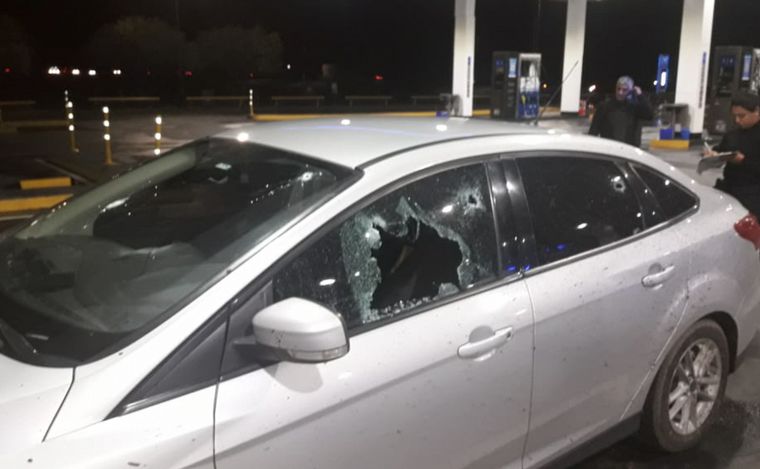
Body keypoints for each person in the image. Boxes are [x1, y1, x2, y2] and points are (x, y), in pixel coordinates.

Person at [704, 91, 760, 215]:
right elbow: (722, 149)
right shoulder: (733, 134)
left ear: (757, 111)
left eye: (742, 116)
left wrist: (743, 161)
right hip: (730, 188)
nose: (737, 120)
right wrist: (713, 154)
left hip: (754, 193)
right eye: (735, 116)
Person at [589, 76, 654, 147]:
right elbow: (593, 130)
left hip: (629, 150)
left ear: (631, 91)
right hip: (609, 149)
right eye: (618, 89)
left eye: (624, 90)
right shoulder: (604, 107)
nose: (620, 92)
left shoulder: (635, 108)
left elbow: (649, 115)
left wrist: (640, 96)